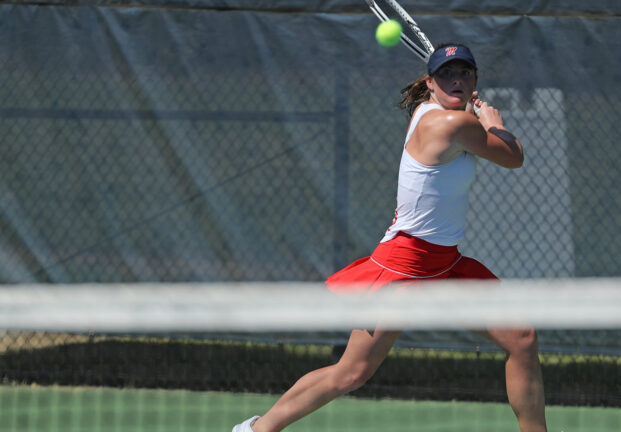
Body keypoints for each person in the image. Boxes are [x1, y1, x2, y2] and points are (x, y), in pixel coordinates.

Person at [233, 43, 547, 432]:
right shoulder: (448, 123)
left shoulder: (445, 114)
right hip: (404, 264)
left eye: (465, 73)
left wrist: (473, 114)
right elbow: (513, 156)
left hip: (446, 264)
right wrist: (493, 121)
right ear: (430, 83)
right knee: (350, 374)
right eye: (447, 74)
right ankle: (256, 430)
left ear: (475, 80)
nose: (457, 80)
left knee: (521, 337)